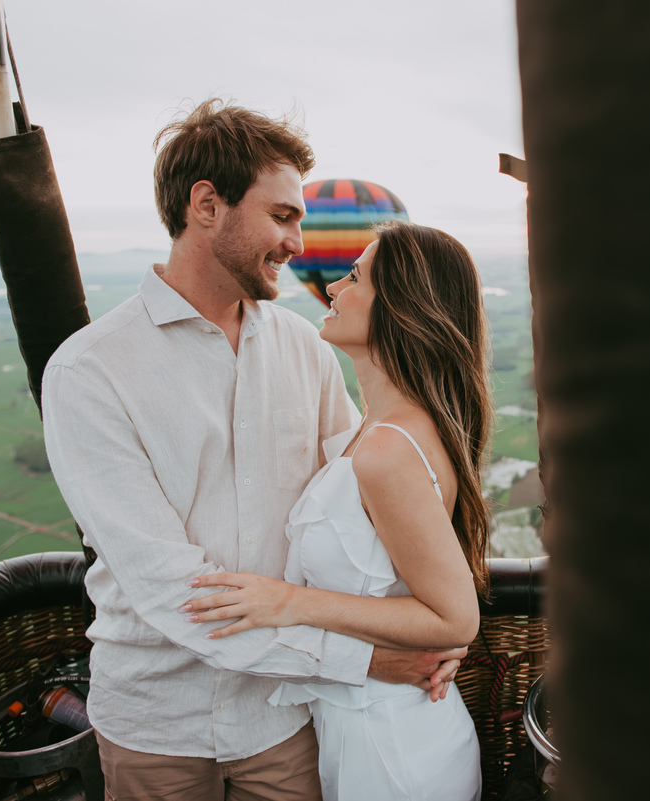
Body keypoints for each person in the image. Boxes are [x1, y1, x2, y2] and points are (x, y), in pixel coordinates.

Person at [41, 100, 463, 800]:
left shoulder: (306, 347)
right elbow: (177, 593)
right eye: (283, 215)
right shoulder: (90, 372)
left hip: (285, 717)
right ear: (207, 205)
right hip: (159, 729)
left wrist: (431, 621)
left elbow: (363, 506)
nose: (298, 241)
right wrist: (368, 660)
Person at [186, 220, 491, 801]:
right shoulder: (382, 428)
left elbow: (456, 620)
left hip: (389, 750)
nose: (332, 288)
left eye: (354, 277)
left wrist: (288, 602)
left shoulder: (386, 450)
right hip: (376, 728)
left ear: (402, 308)